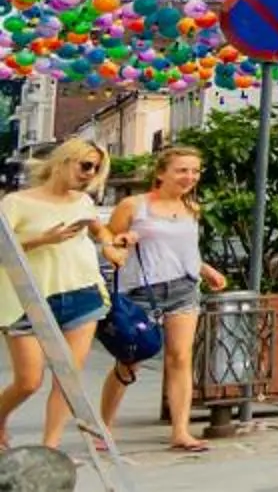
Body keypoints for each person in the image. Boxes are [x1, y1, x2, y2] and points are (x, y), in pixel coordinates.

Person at [98, 143, 228, 455]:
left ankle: (181, 432)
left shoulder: (191, 208)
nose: (190, 177)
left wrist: (206, 270)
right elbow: (108, 243)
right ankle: (102, 428)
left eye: (195, 171)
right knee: (130, 361)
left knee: (180, 359)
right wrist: (122, 242)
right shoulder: (134, 206)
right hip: (141, 291)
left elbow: (184, 252)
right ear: (161, 173)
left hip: (183, 289)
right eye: (182, 170)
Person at [0, 139, 124, 455]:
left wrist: (109, 244)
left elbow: (100, 231)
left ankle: (50, 448)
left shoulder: (83, 201)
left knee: (68, 378)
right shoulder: (17, 202)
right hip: (27, 300)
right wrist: (43, 239)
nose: (90, 173)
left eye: (96, 168)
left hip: (81, 293)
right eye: (85, 165)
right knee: (28, 380)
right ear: (63, 161)